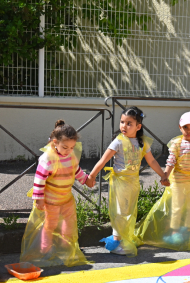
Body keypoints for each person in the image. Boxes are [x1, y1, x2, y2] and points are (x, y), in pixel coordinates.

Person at [86, 107, 169, 256]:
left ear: (138, 126)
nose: (124, 126)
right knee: (119, 211)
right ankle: (118, 240)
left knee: (130, 211)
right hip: (120, 183)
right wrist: (91, 176)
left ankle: (125, 237)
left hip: (133, 183)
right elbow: (103, 160)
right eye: (122, 122)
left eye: (129, 123)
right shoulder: (118, 142)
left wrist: (163, 175)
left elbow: (152, 161)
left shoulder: (142, 142)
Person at [135, 112, 190, 251]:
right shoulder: (176, 143)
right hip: (177, 181)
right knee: (177, 207)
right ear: (180, 128)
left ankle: (188, 231)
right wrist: (165, 176)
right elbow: (171, 161)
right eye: (185, 127)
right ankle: (175, 233)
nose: (188, 131)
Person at [20, 120, 92, 267]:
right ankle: (45, 251)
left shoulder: (71, 156)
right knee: (50, 225)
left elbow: (76, 171)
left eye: (72, 147)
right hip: (50, 202)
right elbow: (39, 180)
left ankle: (66, 249)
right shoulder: (48, 159)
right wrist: (39, 199)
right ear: (55, 143)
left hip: (66, 200)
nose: (69, 150)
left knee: (69, 225)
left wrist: (85, 179)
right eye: (65, 147)